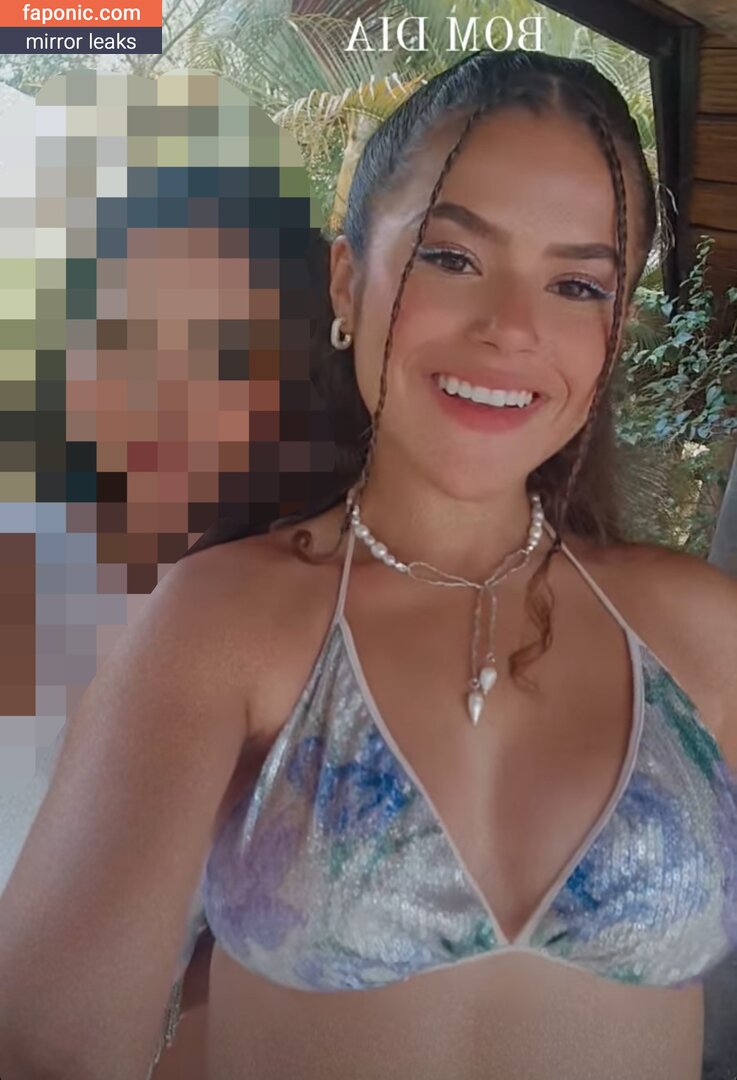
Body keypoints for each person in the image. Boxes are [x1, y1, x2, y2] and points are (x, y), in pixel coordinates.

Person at [1, 48, 736, 1080]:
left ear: (612, 334)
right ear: (348, 278)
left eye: (575, 284)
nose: (510, 328)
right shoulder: (224, 622)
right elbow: (46, 1050)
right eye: (451, 257)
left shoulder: (700, 633)